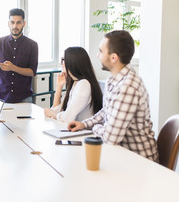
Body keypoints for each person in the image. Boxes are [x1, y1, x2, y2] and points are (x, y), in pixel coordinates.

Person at [68, 30, 159, 162]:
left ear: (113, 57)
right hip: (120, 153)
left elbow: (111, 138)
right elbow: (106, 111)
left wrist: (95, 127)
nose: (97, 55)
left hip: (138, 160)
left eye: (101, 51)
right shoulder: (113, 79)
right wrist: (84, 124)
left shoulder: (128, 86)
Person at [0, 8, 39, 103]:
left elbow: (32, 72)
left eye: (18, 22)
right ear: (8, 23)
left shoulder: (32, 45)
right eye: (12, 22)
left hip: (24, 97)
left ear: (24, 24)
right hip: (2, 97)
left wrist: (13, 68)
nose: (15, 26)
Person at [44, 47, 102, 123]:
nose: (62, 64)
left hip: (83, 132)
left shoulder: (84, 84)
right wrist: (59, 87)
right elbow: (56, 110)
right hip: (74, 130)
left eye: (63, 60)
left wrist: (52, 114)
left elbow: (67, 117)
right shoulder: (75, 82)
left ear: (72, 63)